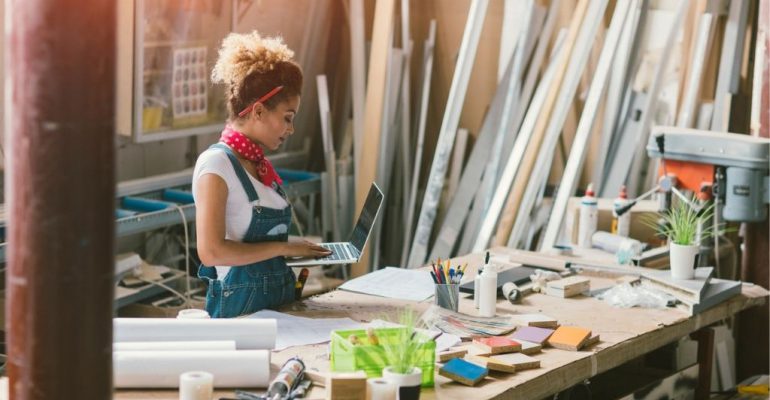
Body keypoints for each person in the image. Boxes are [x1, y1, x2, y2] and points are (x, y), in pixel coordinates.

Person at [193, 31, 330, 318]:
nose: (291, 129)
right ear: (258, 111)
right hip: (239, 317)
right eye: (287, 118)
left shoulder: (259, 165)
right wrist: (283, 247)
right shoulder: (216, 165)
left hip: (278, 310)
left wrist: (294, 247)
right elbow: (212, 252)